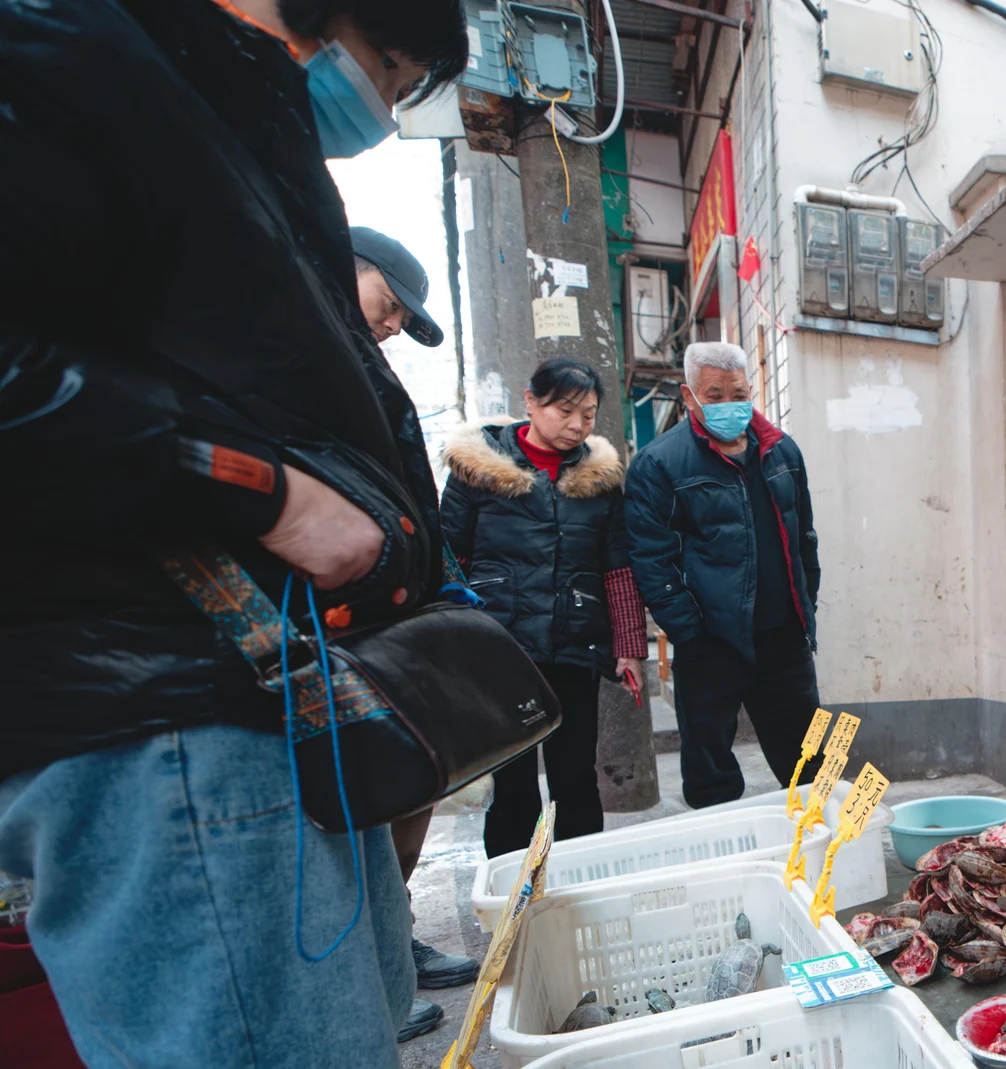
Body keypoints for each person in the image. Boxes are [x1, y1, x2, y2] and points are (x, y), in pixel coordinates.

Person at [0, 2, 467, 1066]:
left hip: (265, 698)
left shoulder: (211, 100)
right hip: (162, 707)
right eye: (389, 77)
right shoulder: (70, 48)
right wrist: (260, 492)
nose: (379, 117)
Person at [349, 226, 477, 1039]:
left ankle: (393, 940)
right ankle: (374, 968)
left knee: (416, 785)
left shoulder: (360, 361)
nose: (393, 324)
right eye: (389, 304)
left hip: (404, 610)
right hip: (353, 626)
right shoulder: (303, 345)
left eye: (399, 315)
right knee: (379, 787)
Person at [441, 358, 648, 857]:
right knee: (511, 784)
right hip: (501, 650)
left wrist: (629, 647)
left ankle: (582, 882)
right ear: (530, 401)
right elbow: (450, 559)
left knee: (575, 776)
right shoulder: (480, 471)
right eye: (565, 410)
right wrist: (452, 643)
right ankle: (515, 892)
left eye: (589, 415)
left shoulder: (600, 479)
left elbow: (616, 568)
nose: (577, 425)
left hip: (574, 645)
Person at [624, 342, 821, 808]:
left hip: (783, 638)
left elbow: (804, 538)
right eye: (714, 395)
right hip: (710, 642)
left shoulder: (782, 452)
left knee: (812, 763)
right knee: (710, 769)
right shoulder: (658, 464)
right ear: (688, 396)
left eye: (739, 393)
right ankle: (727, 863)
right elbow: (651, 559)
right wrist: (690, 631)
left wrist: (804, 606)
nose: (729, 405)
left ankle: (822, 853)